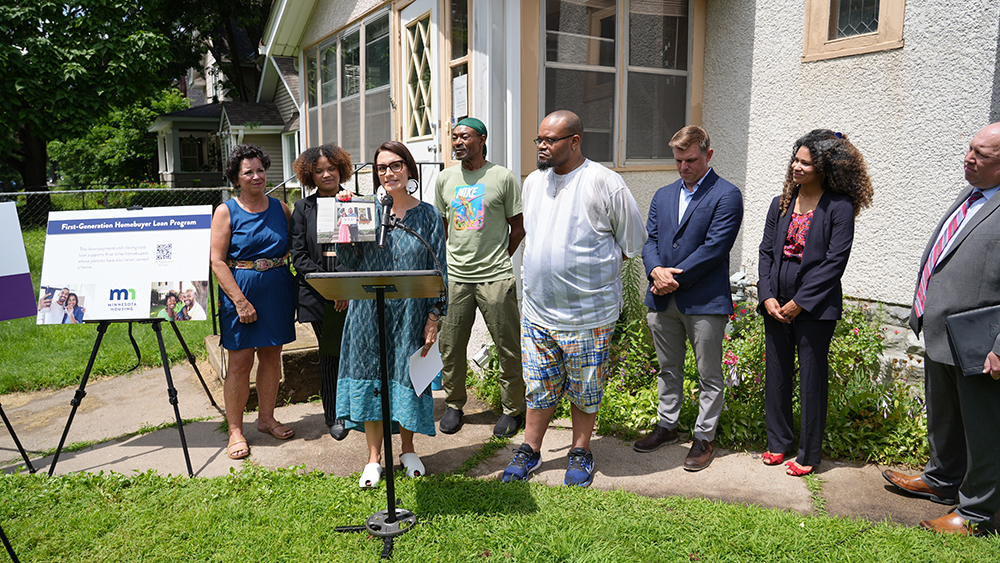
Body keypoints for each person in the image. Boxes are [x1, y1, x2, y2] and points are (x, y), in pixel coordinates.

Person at [501, 110, 646, 487]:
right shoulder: (533, 182)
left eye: (551, 140)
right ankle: (530, 449)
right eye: (540, 140)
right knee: (538, 385)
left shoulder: (604, 182)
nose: (542, 146)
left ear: (575, 141)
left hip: (588, 314)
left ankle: (580, 451)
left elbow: (632, 242)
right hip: (537, 311)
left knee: (585, 389)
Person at [883, 122, 1000, 535]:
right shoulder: (970, 196)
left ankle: (976, 515)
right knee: (945, 418)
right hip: (943, 333)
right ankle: (942, 480)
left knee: (984, 431)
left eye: (982, 155)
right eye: (970, 148)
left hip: (981, 344)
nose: (969, 157)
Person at [757, 130, 873, 477]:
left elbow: (835, 263)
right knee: (776, 374)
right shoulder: (781, 202)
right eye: (795, 159)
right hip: (776, 301)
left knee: (811, 378)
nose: (796, 166)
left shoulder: (839, 206)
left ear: (824, 168)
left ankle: (808, 454)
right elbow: (765, 252)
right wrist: (767, 296)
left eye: (805, 163)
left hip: (816, 307)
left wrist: (799, 303)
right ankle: (779, 443)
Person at [632, 126, 744, 472]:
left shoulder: (726, 195)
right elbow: (649, 242)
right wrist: (655, 272)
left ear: (708, 155)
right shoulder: (664, 195)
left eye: (691, 159)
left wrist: (670, 278)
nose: (684, 166)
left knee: (708, 373)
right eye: (679, 160)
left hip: (704, 302)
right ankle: (667, 425)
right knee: (668, 368)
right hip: (662, 301)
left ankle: (704, 437)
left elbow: (715, 248)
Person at [336, 141, 447, 488]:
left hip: (411, 316)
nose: (389, 173)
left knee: (407, 380)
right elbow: (349, 264)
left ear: (409, 169)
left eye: (396, 165)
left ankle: (408, 449)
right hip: (368, 313)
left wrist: (434, 316)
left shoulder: (428, 215)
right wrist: (344, 229)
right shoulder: (364, 210)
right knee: (372, 380)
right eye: (382, 168)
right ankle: (373, 457)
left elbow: (439, 268)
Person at [433, 117, 526, 438]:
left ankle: (514, 409)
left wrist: (500, 258)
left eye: (465, 137)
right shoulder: (445, 179)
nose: (458, 142)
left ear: (482, 139)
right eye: (454, 137)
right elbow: (441, 228)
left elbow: (518, 227)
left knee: (508, 345)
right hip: (456, 277)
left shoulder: (502, 177)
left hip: (496, 277)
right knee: (451, 345)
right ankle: (455, 403)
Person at [210, 144, 297, 461]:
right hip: (241, 293)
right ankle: (235, 430)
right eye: (249, 172)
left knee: (272, 358)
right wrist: (240, 301)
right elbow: (217, 262)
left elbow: (293, 247)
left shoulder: (281, 208)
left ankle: (266, 418)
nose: (257, 176)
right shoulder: (226, 211)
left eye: (261, 170)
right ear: (236, 178)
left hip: (276, 290)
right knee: (239, 363)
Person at [290, 144, 354, 440]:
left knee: (355, 352)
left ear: (341, 169)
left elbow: (365, 252)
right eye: (318, 170)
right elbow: (299, 255)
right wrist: (331, 288)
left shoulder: (357, 204)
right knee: (330, 353)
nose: (326, 174)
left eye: (331, 168)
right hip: (318, 293)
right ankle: (335, 414)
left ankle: (360, 407)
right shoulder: (303, 209)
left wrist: (344, 286)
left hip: (354, 292)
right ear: (309, 175)